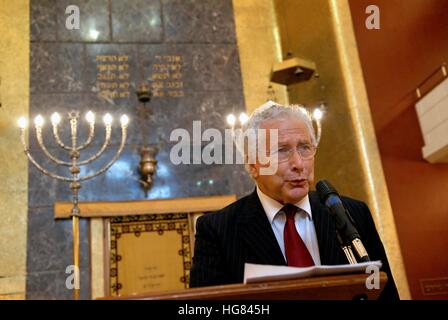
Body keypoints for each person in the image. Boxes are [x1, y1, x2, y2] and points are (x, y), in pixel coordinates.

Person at [189, 101, 399, 300]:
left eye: (305, 147)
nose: (298, 163)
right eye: (281, 150)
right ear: (253, 165)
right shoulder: (218, 230)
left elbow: (385, 293)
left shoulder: (351, 212)